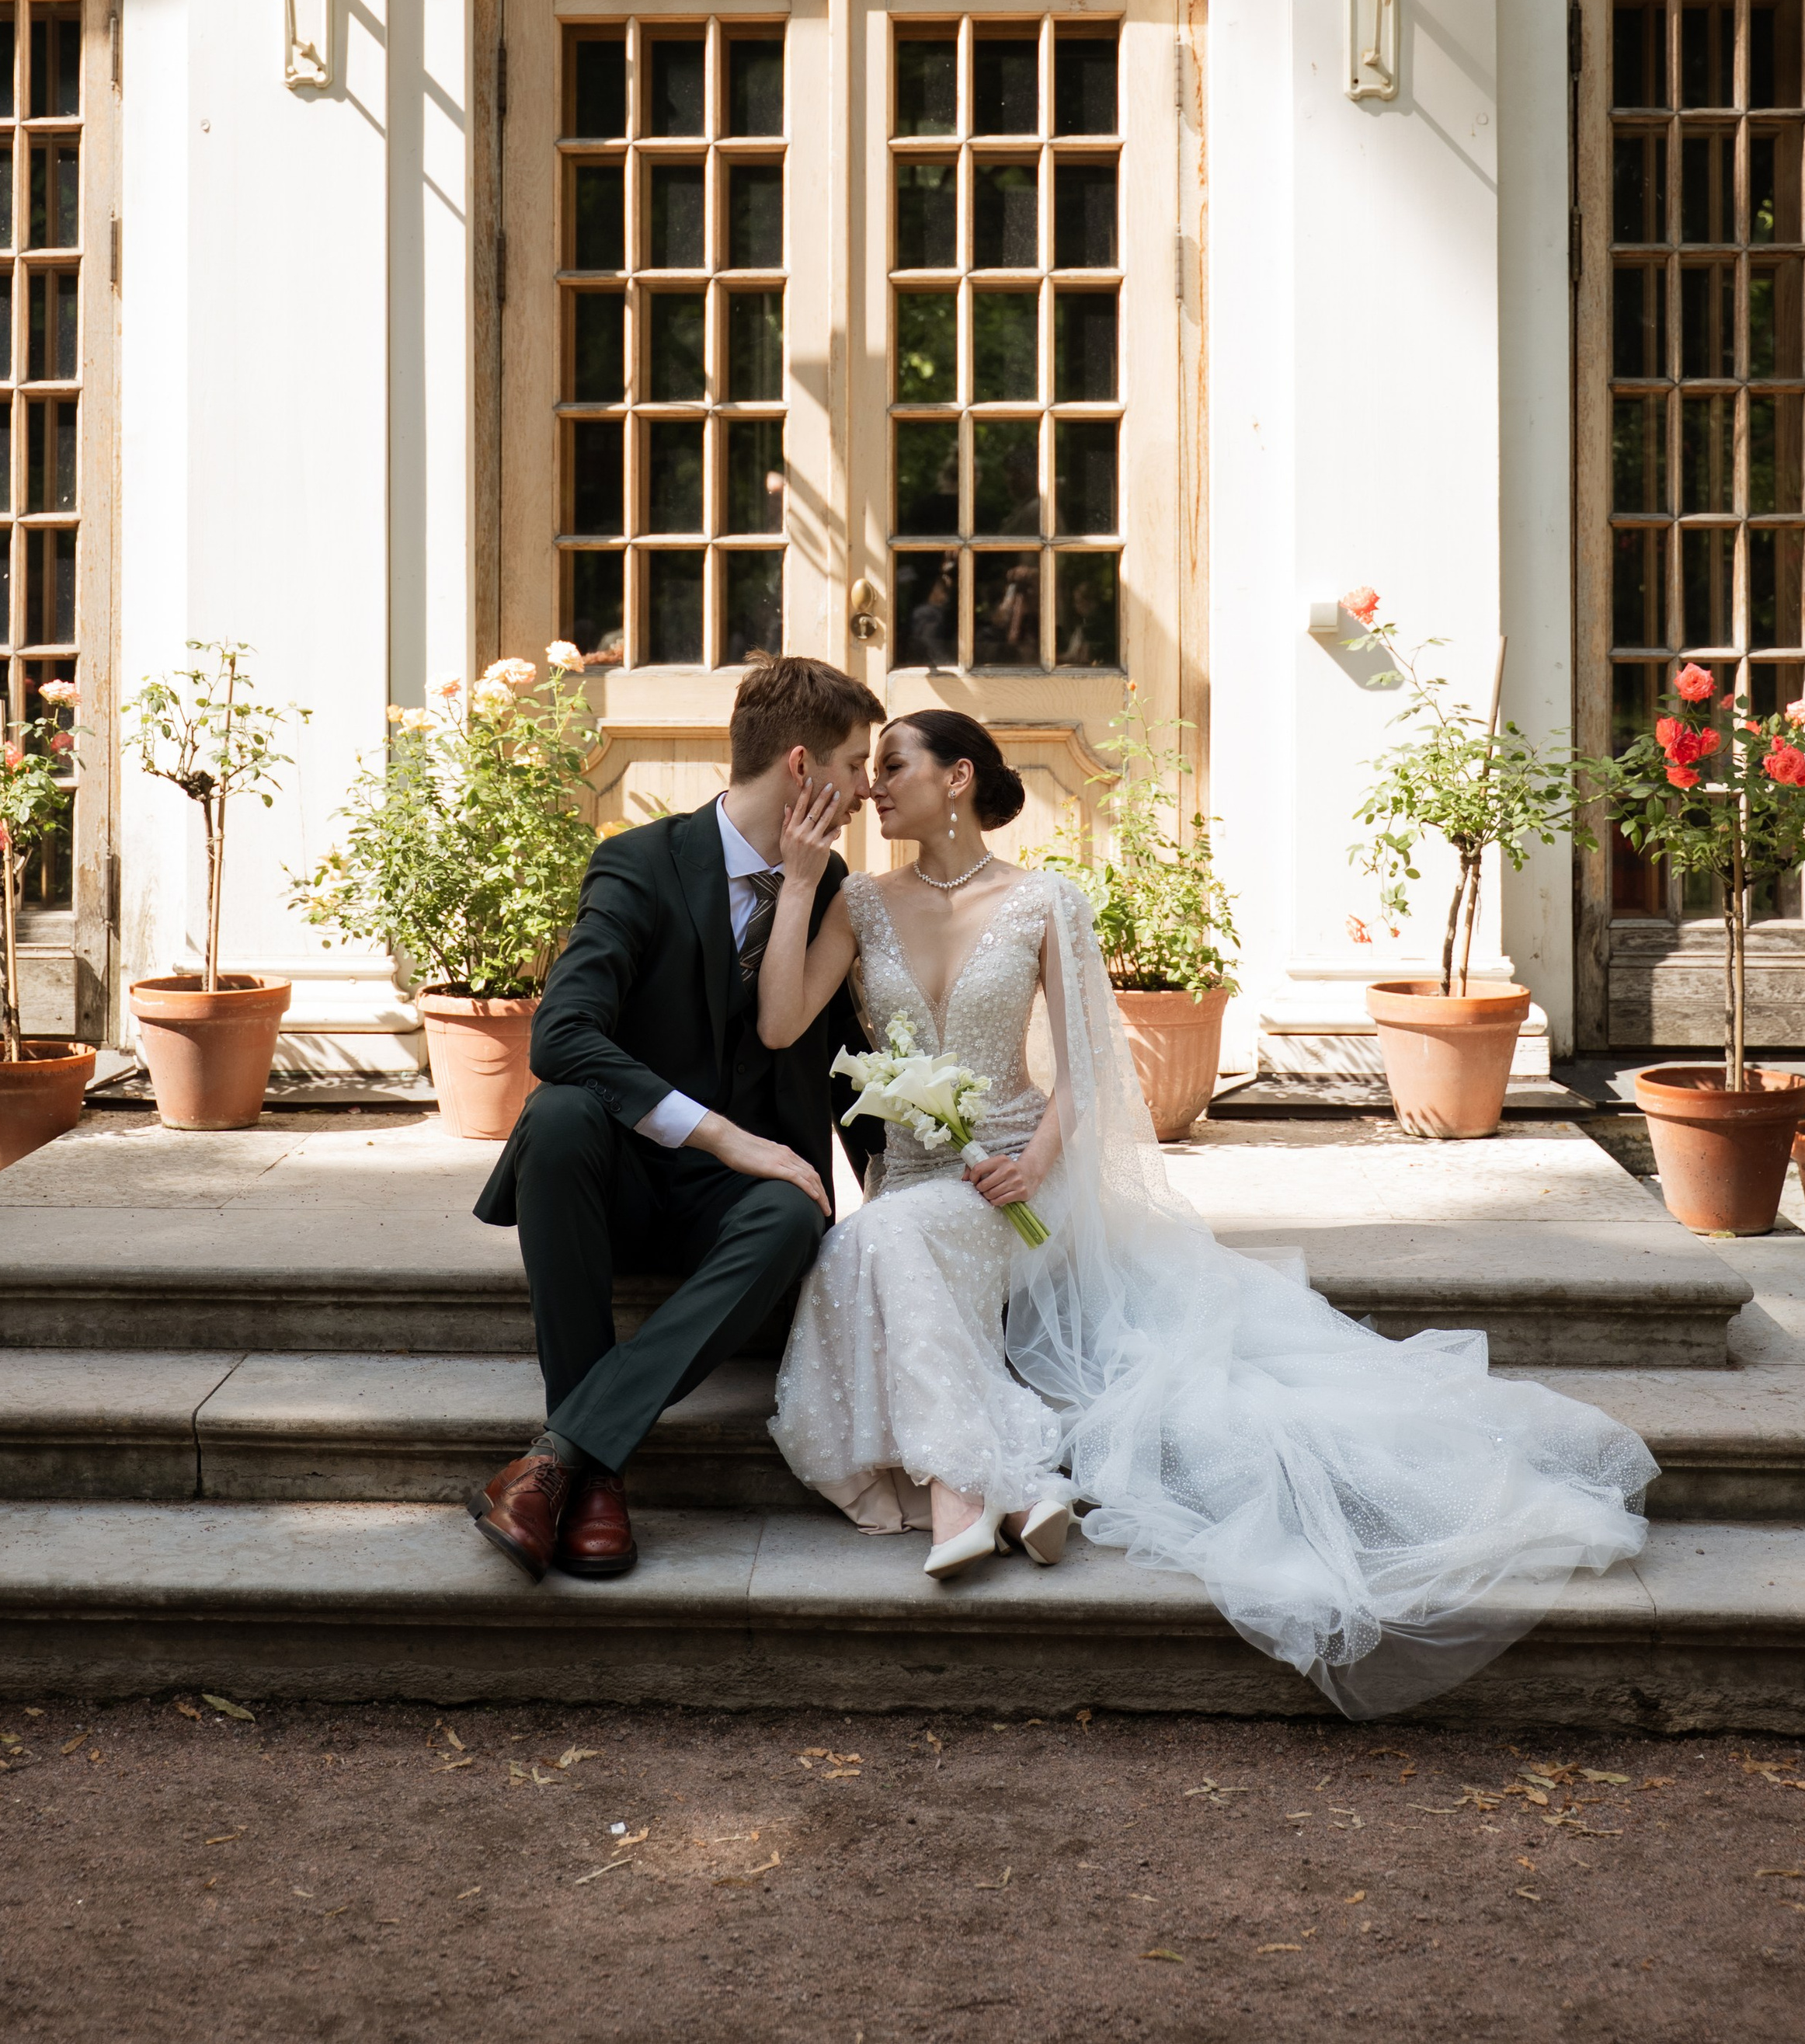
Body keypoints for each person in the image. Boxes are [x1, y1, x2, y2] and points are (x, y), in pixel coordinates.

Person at [757, 709, 1657, 1716]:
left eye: (893, 764)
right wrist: (798, 880)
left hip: (1022, 1178)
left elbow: (1087, 1070)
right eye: (871, 767)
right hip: (920, 1179)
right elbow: (782, 1021)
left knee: (871, 1242)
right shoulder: (858, 901)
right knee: (874, 1235)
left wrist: (1033, 1161)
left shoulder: (1043, 898)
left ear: (957, 776)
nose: (872, 784)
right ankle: (1009, 1481)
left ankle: (965, 1495)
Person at [467, 656, 885, 1585]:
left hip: (734, 1207)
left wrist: (910, 1195)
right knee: (561, 1114)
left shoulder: (830, 883)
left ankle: (564, 1462)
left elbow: (849, 1058)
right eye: (856, 764)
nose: (866, 788)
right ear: (802, 767)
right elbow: (560, 1034)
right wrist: (722, 1132)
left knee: (794, 1212)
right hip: (616, 1180)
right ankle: (593, 1465)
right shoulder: (641, 863)